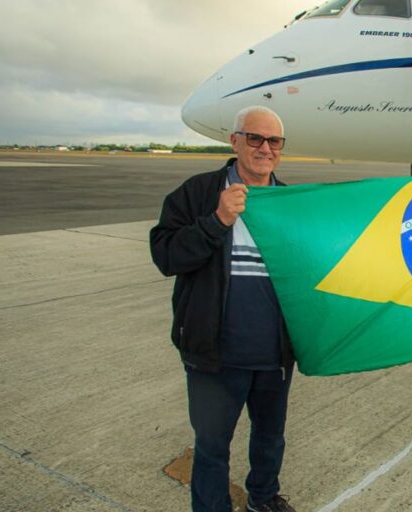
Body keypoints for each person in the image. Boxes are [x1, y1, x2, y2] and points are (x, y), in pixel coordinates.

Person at [150, 106, 298, 512]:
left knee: (270, 437)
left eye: (274, 141)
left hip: (274, 355)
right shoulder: (197, 193)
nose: (265, 148)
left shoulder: (289, 202)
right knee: (212, 446)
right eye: (255, 138)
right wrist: (217, 220)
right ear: (234, 141)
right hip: (214, 354)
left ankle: (263, 499)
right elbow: (165, 256)